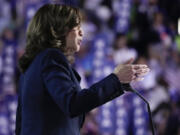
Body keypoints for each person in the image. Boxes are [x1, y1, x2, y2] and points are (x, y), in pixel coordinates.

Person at [15, 3, 150, 135]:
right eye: (76, 26)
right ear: (57, 29)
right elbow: (72, 103)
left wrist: (119, 81)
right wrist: (116, 79)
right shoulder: (51, 57)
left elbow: (20, 126)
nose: (81, 32)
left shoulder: (30, 67)